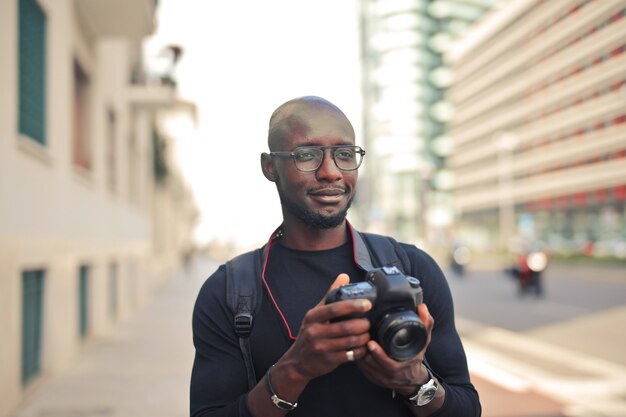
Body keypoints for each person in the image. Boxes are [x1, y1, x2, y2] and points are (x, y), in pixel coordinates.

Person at [190, 96, 481, 417]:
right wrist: (295, 368)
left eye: (344, 154)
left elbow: (467, 409)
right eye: (307, 155)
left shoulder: (411, 268)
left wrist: (415, 381)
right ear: (270, 166)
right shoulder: (229, 291)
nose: (330, 172)